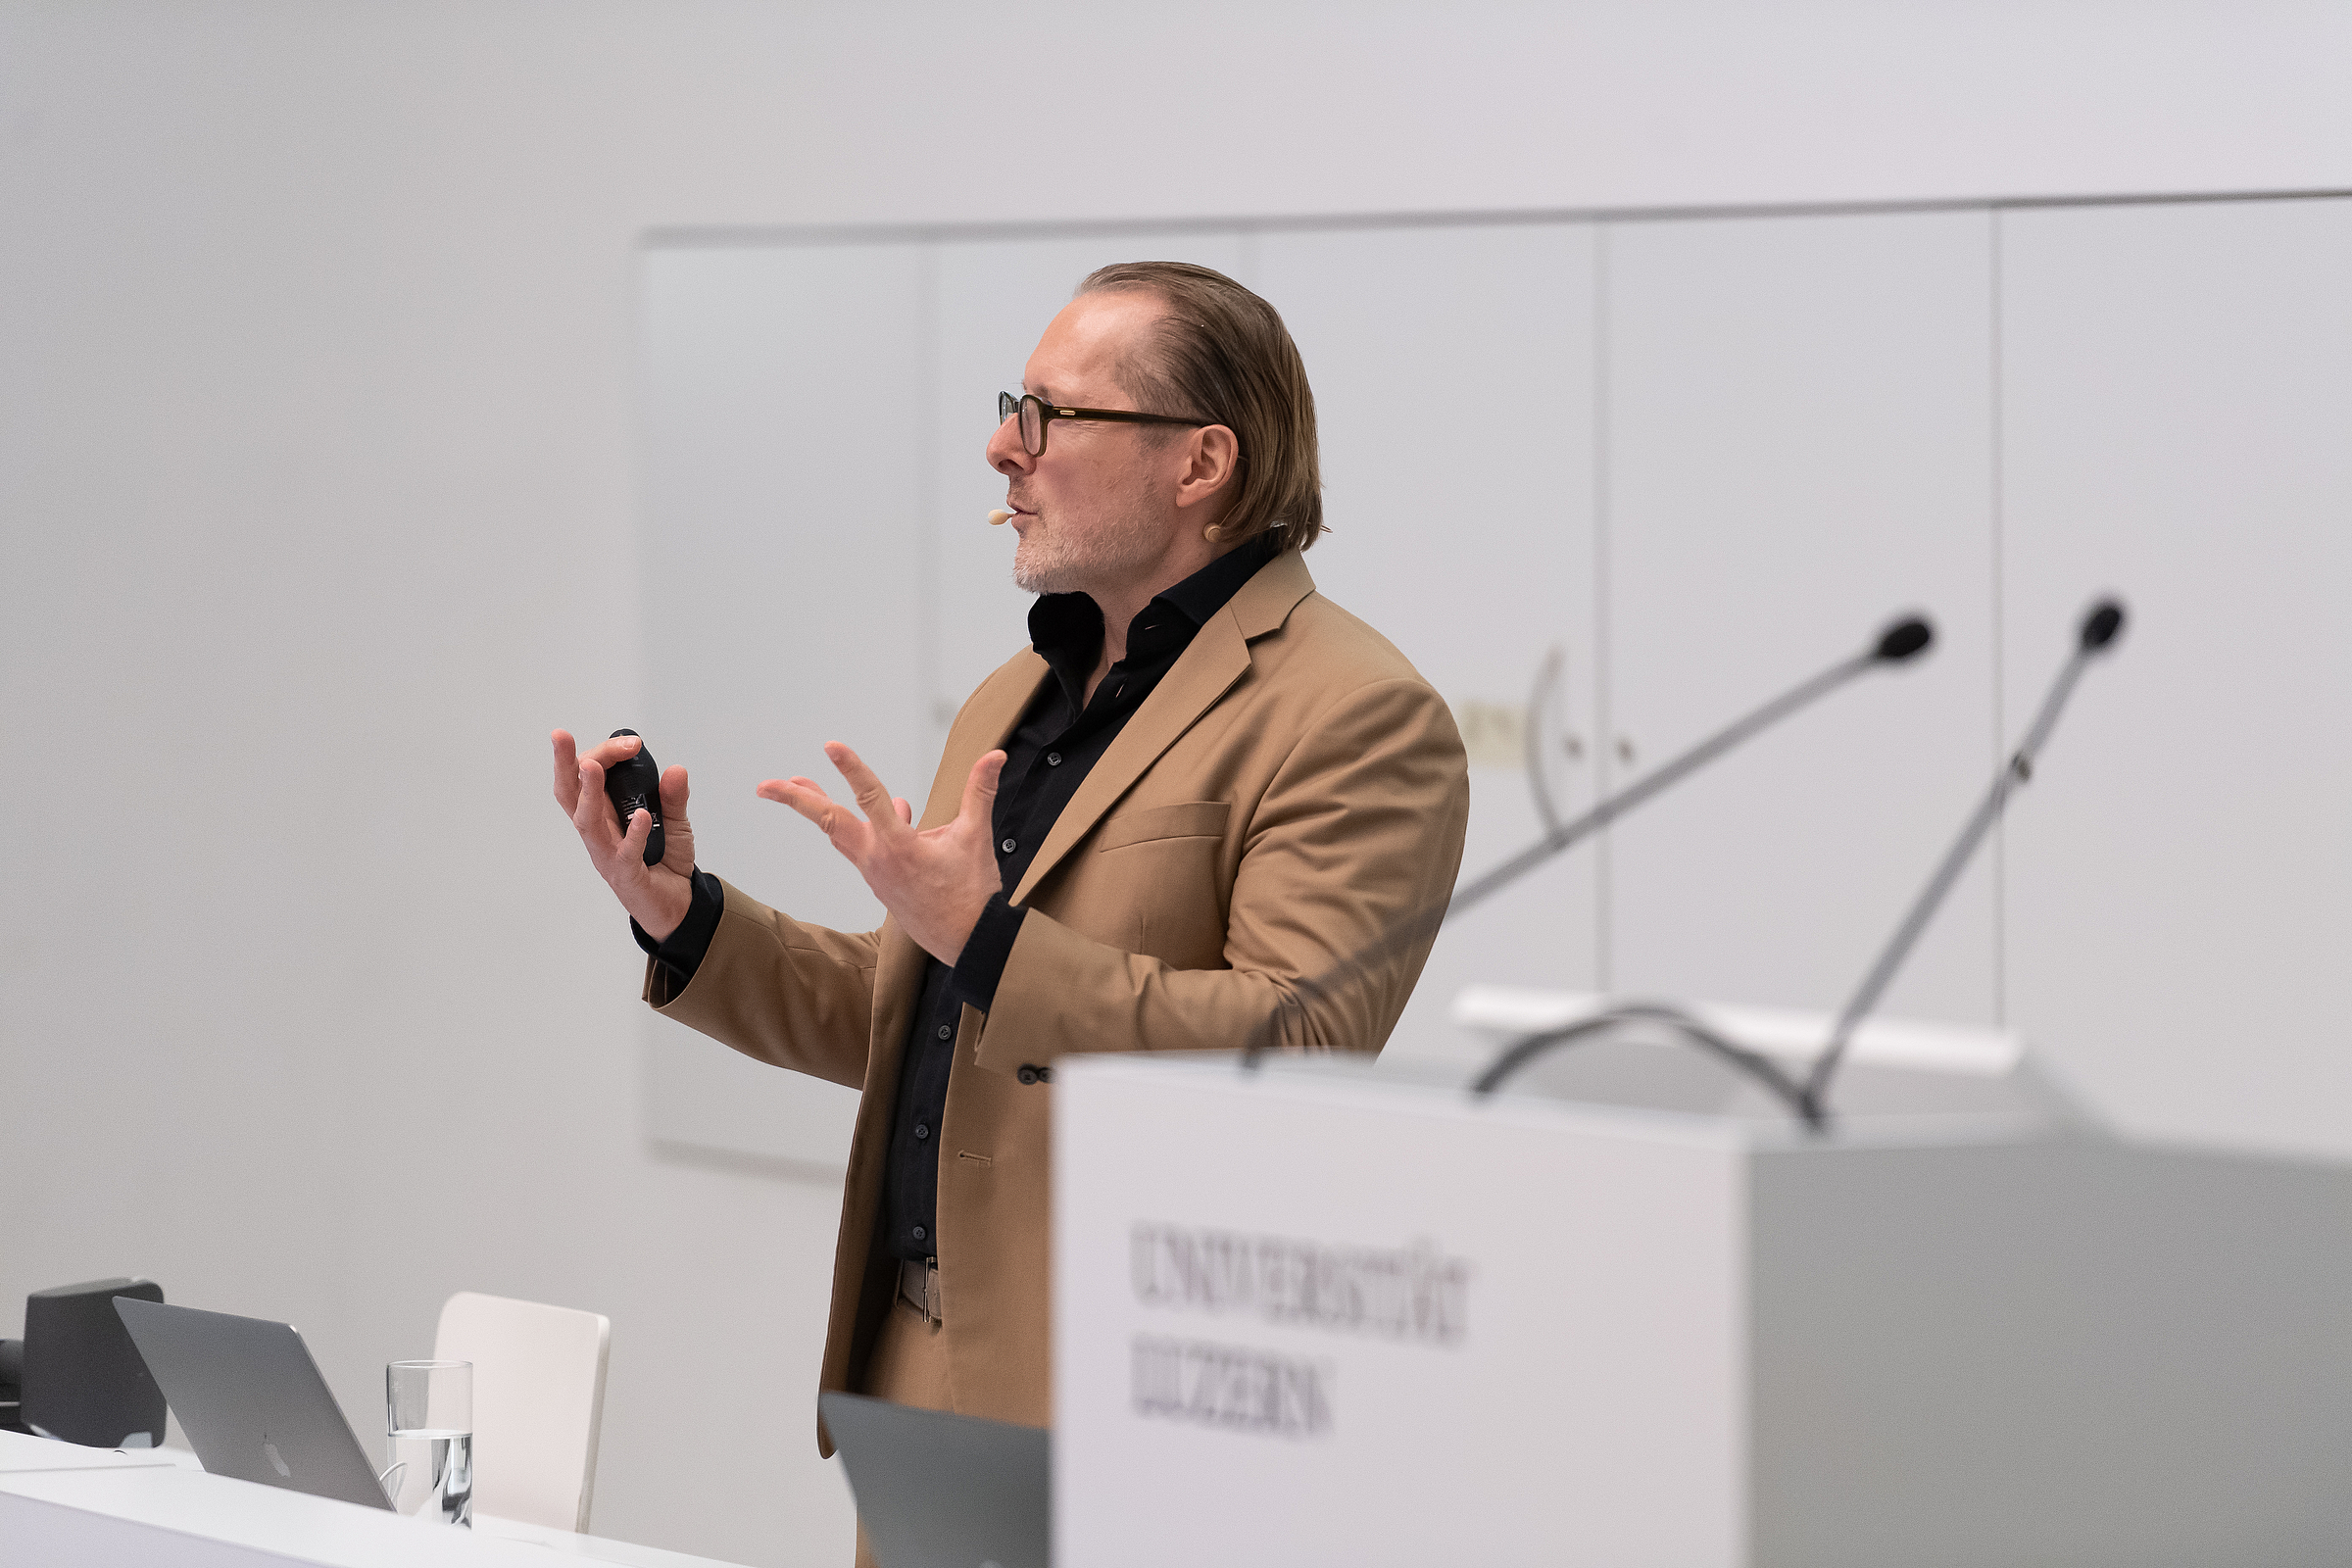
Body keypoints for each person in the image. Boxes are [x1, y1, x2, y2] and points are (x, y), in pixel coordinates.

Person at [552, 261, 1468, 1533]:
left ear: (1201, 463)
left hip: (1139, 1395)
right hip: (914, 1356)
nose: (1001, 449)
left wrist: (986, 940)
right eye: (1009, 409)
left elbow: (1298, 1041)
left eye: (1051, 414)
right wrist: (683, 915)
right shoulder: (1012, 697)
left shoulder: (1354, 713)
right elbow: (918, 1010)